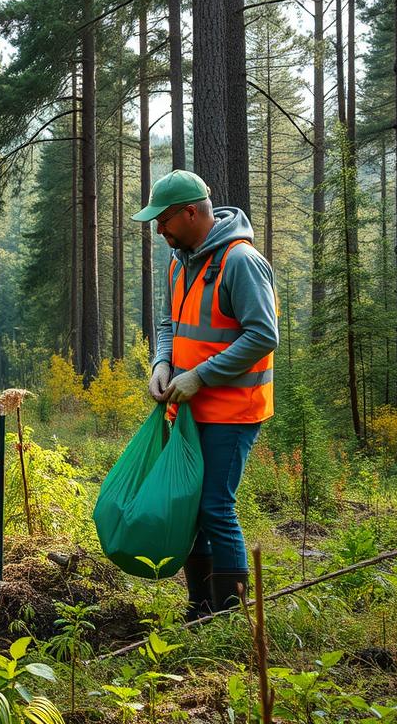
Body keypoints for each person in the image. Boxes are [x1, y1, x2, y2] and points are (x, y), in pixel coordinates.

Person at [132, 169, 279, 621]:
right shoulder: (181, 261)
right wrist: (162, 364)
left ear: (191, 212)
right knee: (193, 507)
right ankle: (200, 610)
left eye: (164, 220)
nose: (159, 230)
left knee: (215, 506)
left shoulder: (240, 261)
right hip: (190, 409)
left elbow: (263, 335)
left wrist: (200, 376)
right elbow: (168, 325)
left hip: (233, 411)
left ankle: (231, 616)